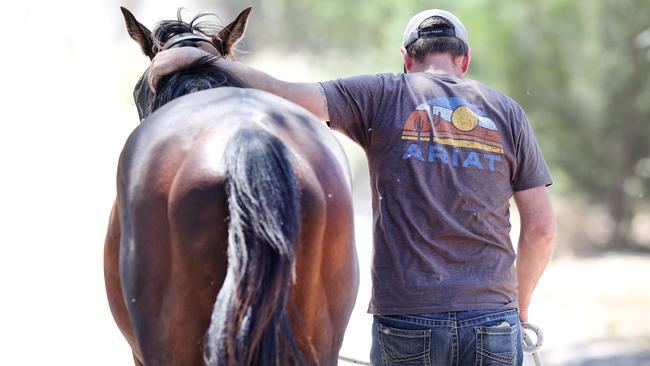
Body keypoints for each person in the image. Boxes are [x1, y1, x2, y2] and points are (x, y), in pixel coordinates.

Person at [148, 8, 556, 366]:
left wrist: (205, 61)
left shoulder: (381, 94)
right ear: (464, 60)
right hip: (493, 324)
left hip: (408, 323)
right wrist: (516, 310)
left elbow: (284, 94)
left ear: (406, 59)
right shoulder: (508, 113)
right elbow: (541, 229)